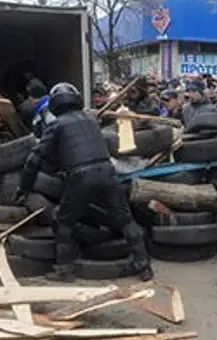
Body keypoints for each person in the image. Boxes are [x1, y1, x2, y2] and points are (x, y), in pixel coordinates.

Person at [14, 83, 153, 282]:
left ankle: (64, 269)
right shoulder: (91, 120)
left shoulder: (56, 125)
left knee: (63, 221)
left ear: (54, 103)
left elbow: (34, 159)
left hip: (80, 176)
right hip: (107, 171)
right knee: (125, 219)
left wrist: (24, 188)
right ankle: (144, 267)